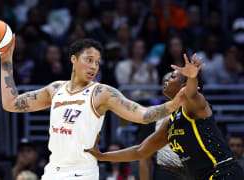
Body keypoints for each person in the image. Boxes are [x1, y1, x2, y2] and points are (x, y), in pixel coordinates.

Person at [0, 37, 185, 180]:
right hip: (52, 171)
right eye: (89, 60)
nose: (93, 66)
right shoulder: (55, 89)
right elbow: (11, 103)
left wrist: (173, 104)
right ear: (73, 59)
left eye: (97, 62)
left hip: (82, 172)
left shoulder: (102, 93)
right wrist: (6, 61)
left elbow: (143, 115)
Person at [86, 54, 244, 180]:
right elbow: (140, 151)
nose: (167, 79)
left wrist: (192, 77)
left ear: (184, 85)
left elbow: (191, 92)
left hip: (224, 172)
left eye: (173, 77)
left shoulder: (197, 103)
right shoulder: (170, 122)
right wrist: (102, 156)